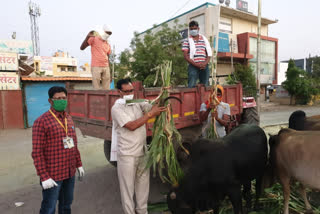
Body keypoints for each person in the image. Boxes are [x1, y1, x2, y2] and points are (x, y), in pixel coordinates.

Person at [111, 79, 166, 214]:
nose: (130, 94)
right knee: (127, 189)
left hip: (142, 152)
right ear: (119, 92)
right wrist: (150, 114)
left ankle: (142, 211)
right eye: (126, 91)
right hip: (127, 154)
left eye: (131, 91)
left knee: (143, 186)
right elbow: (132, 126)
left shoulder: (137, 103)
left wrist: (163, 93)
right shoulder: (116, 108)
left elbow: (153, 106)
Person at [32, 86, 84, 214]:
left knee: (66, 205)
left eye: (64, 98)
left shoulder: (69, 119)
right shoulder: (41, 122)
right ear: (50, 101)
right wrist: (44, 177)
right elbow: (37, 153)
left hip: (69, 172)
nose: (62, 101)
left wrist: (79, 164)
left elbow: (74, 144)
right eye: (58, 98)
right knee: (48, 208)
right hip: (53, 175)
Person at [80, 24, 112, 90]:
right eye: (107, 33)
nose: (108, 34)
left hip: (106, 66)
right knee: (96, 87)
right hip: (96, 66)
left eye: (110, 33)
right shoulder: (94, 38)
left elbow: (108, 56)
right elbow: (82, 48)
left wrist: (109, 70)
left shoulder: (108, 43)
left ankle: (105, 100)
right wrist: (87, 37)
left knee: (107, 88)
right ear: (103, 32)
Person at [182, 20, 212, 88]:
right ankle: (190, 98)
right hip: (193, 65)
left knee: (205, 85)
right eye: (191, 29)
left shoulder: (204, 39)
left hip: (204, 66)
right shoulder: (187, 40)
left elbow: (209, 53)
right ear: (189, 30)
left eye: (195, 28)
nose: (193, 30)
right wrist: (196, 64)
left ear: (198, 29)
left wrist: (205, 63)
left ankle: (205, 98)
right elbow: (185, 56)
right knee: (191, 84)